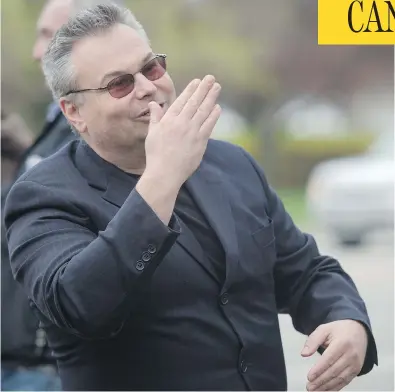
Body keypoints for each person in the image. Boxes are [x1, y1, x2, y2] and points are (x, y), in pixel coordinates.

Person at [4, 3, 378, 391]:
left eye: (151, 68)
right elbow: (81, 305)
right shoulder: (42, 195)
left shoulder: (230, 164)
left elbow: (304, 272)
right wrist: (161, 178)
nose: (147, 87)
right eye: (119, 83)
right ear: (73, 111)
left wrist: (347, 318)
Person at [1, 1, 122, 390]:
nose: (38, 51)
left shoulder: (88, 133)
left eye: (48, 36)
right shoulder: (54, 128)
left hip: (42, 364)